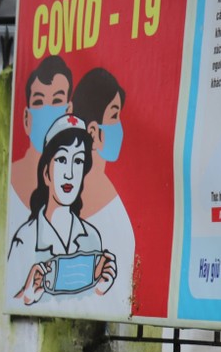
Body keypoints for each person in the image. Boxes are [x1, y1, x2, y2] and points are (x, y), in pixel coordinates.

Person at [8, 114, 116, 307]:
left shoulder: (91, 237)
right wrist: (27, 296)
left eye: (78, 161)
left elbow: (90, 307)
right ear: (46, 172)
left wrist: (101, 289)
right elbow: (7, 302)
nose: (70, 173)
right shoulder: (25, 238)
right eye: (62, 159)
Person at [69, 66, 135, 317]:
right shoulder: (95, 204)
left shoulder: (108, 209)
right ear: (93, 132)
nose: (120, 128)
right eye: (114, 116)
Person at [8, 56, 74, 236]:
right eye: (38, 102)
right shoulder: (11, 183)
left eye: (56, 101)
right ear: (26, 119)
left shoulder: (75, 181)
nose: (47, 111)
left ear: (69, 112)